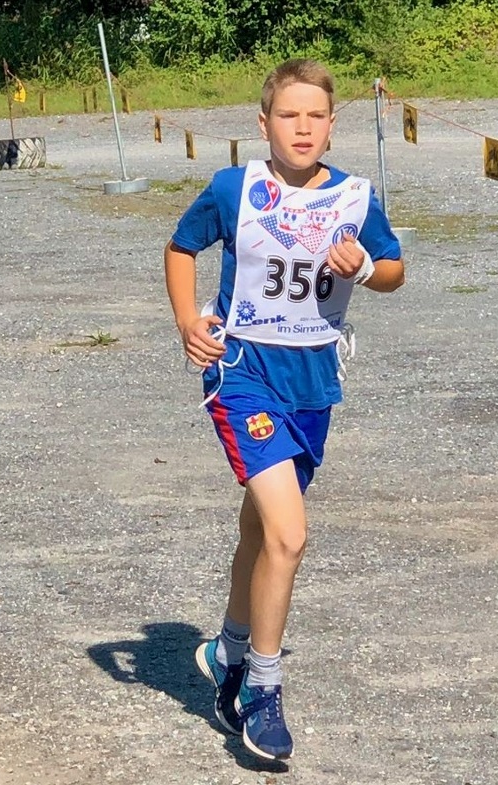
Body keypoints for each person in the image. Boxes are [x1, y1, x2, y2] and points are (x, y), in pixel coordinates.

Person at [163, 58, 405, 761]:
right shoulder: (234, 188)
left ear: (332, 126)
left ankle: (228, 650)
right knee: (290, 536)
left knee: (261, 529)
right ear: (262, 122)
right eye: (288, 114)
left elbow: (394, 271)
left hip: (313, 384)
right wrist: (188, 321)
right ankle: (261, 690)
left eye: (315, 116)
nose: (302, 127)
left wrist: (362, 267)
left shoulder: (356, 197)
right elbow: (181, 247)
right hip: (242, 373)